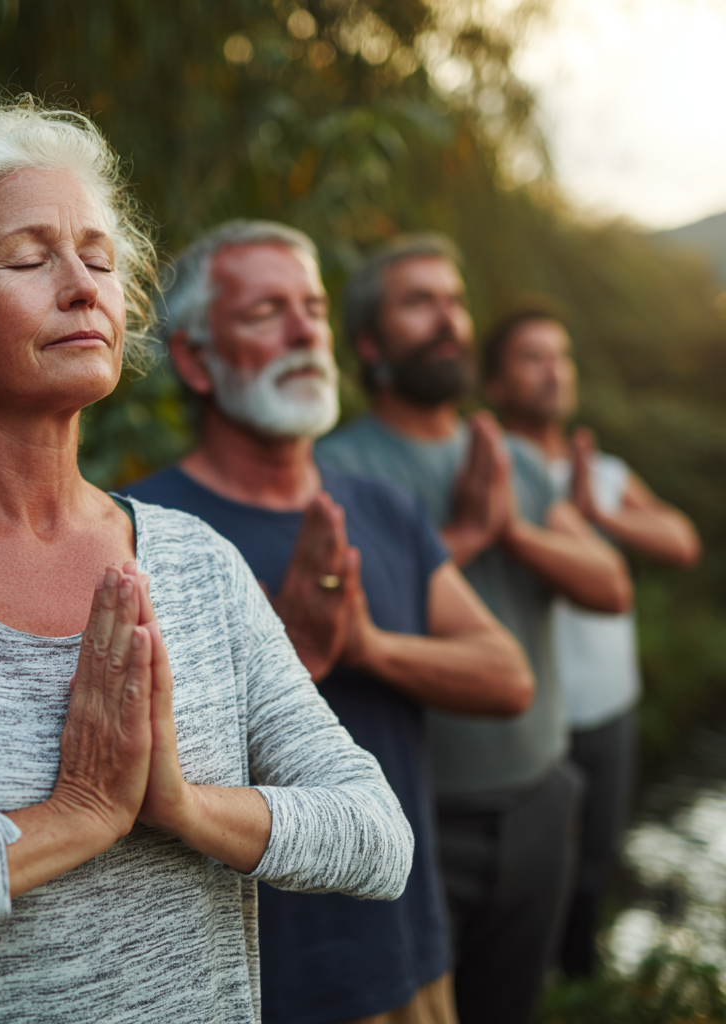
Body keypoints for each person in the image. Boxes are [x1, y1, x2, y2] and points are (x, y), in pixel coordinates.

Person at [0, 102, 416, 1024]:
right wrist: (77, 813)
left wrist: (182, 806)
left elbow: (378, 836)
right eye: (27, 257)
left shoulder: (197, 566)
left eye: (99, 258)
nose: (81, 285)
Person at [126, 220, 535, 1024]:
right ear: (196, 360)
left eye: (312, 307)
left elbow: (508, 676)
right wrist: (284, 648)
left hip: (411, 950)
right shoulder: (142, 531)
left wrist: (368, 647)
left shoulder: (379, 505)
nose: (305, 329)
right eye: (265, 312)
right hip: (248, 980)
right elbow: (131, 770)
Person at [317, 235, 634, 1024]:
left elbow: (612, 586)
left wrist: (513, 532)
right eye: (418, 303)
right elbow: (334, 632)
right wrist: (458, 536)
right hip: (418, 823)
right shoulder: (336, 471)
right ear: (368, 344)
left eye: (454, 301)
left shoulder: (515, 463)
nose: (447, 319)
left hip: (541, 801)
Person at [481, 307, 701, 976]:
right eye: (533, 357)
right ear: (494, 385)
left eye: (562, 356)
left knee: (595, 866)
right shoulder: (486, 475)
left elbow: (682, 542)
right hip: (531, 725)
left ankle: (577, 989)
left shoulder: (602, 473)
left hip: (613, 712)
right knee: (527, 883)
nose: (554, 371)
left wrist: (598, 514)